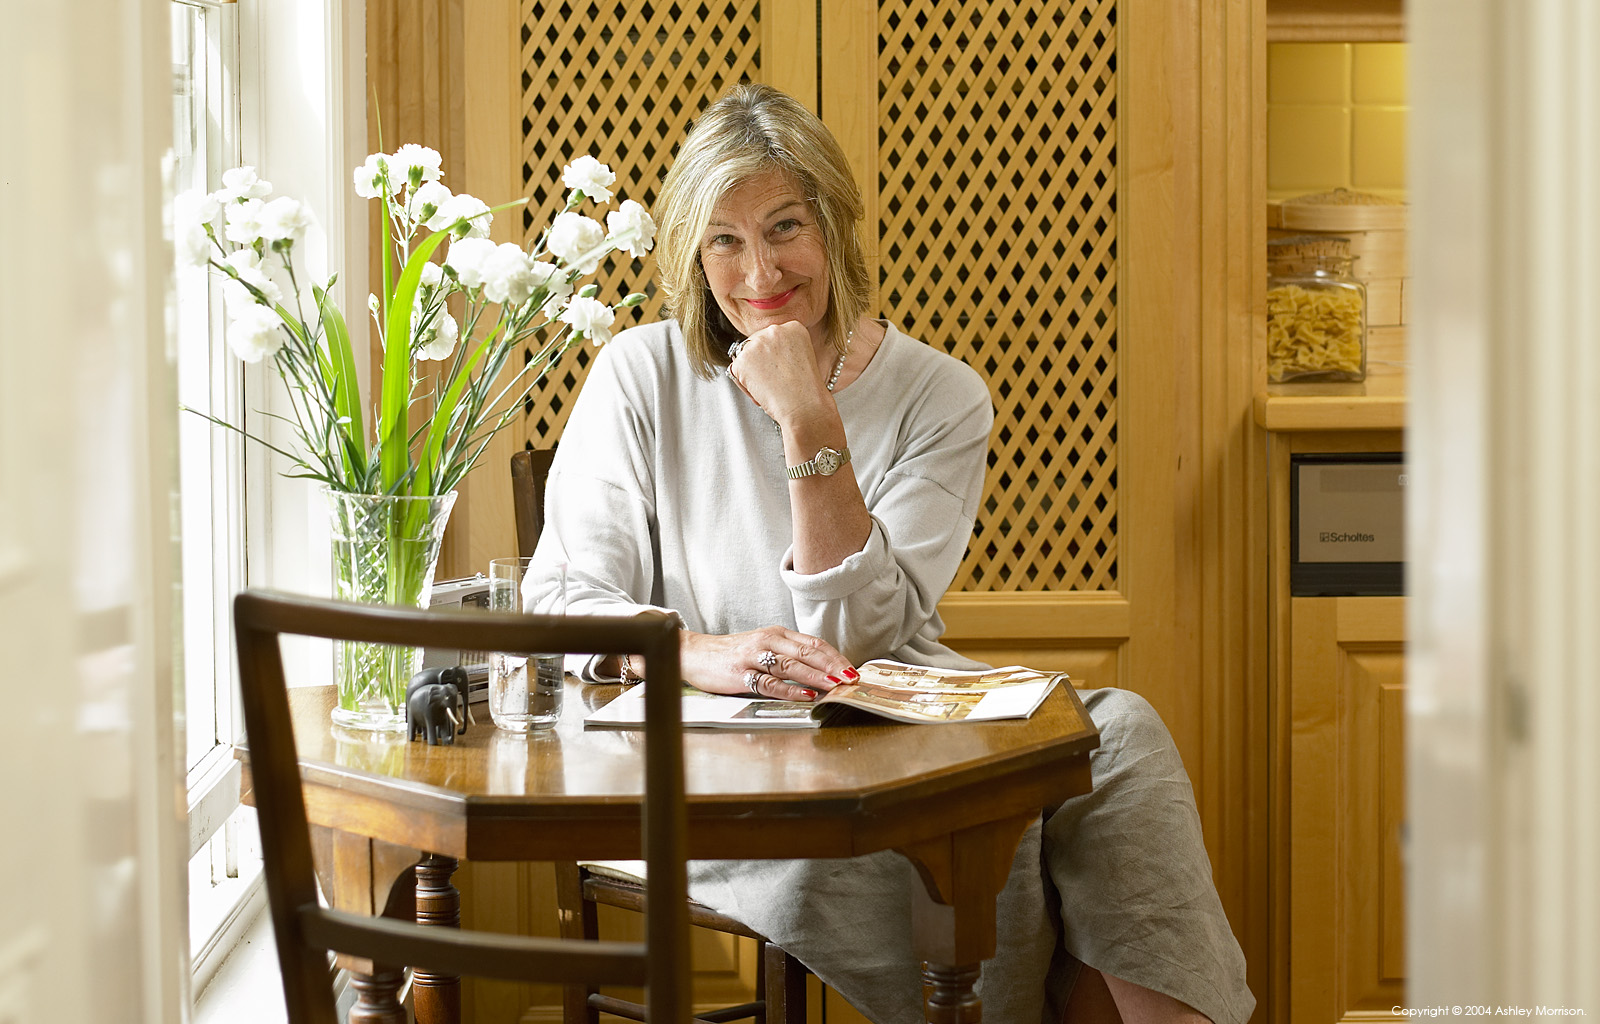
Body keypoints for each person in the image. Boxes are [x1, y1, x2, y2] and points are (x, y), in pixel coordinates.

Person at [524, 82, 1254, 1024]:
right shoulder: (641, 374)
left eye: (786, 227)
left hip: (887, 721)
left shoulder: (941, 396)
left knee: (1120, 736)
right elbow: (559, 596)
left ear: (834, 226)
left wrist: (807, 419)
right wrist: (699, 652)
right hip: (715, 755)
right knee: (1005, 843)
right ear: (692, 254)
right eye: (725, 241)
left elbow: (859, 636)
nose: (759, 272)